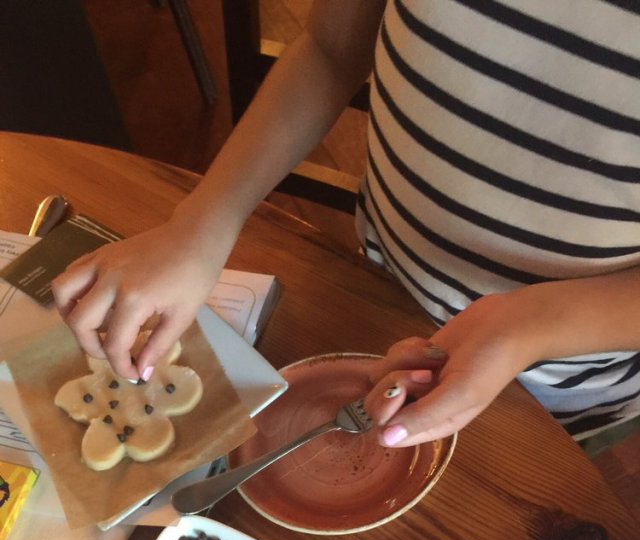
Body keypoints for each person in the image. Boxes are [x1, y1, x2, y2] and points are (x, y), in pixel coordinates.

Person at [52, 0, 640, 450]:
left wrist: (522, 325)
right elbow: (330, 51)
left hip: (561, 387)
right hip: (381, 283)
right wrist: (203, 221)